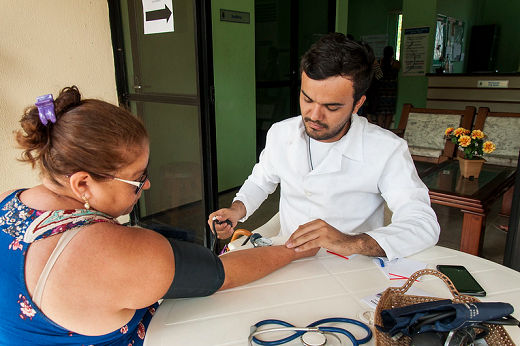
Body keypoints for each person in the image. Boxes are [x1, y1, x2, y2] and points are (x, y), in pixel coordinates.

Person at [0, 86, 317, 345]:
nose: (147, 184)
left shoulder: (6, 203)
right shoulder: (111, 252)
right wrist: (292, 250)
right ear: (83, 183)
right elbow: (221, 274)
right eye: (137, 178)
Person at [209, 33, 439, 261]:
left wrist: (351, 242)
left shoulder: (387, 149)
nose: (314, 116)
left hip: (351, 266)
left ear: (358, 103)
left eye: (331, 106)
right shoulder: (281, 133)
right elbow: (261, 181)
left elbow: (423, 224)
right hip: (287, 259)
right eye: (307, 99)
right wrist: (237, 210)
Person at [374, 45, 400, 129]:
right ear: (392, 53)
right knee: (389, 112)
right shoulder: (396, 63)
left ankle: (380, 129)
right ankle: (386, 129)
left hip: (380, 90)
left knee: (380, 112)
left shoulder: (379, 63)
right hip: (391, 91)